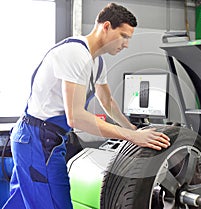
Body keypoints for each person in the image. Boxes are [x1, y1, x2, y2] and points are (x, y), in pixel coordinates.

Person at [3, 3, 170, 209]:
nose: (126, 44)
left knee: (21, 204)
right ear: (106, 26)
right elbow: (76, 117)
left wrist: (132, 128)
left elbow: (107, 101)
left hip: (48, 139)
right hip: (37, 139)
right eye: (124, 36)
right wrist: (132, 137)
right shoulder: (75, 53)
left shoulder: (97, 62)